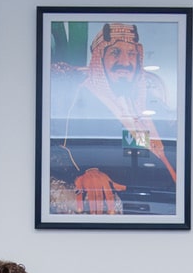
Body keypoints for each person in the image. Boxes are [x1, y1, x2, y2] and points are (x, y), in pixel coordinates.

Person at [50, 23, 178, 217]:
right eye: (115, 52)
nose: (125, 62)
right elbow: (65, 149)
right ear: (99, 59)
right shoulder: (83, 101)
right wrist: (90, 171)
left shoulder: (149, 105)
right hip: (136, 203)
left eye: (132, 54)